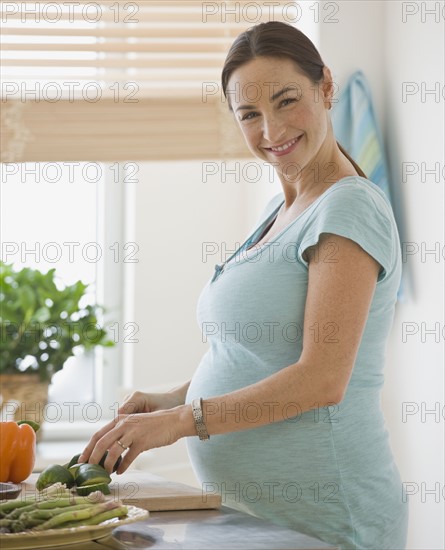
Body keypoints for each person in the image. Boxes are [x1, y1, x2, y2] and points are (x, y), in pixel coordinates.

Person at [79, 21, 408, 550]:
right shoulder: (280, 211)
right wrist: (170, 398)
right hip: (259, 517)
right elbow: (259, 353)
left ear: (326, 86)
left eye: (286, 101)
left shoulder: (347, 206)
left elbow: (322, 378)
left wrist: (181, 422)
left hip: (328, 520)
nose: (272, 131)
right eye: (250, 114)